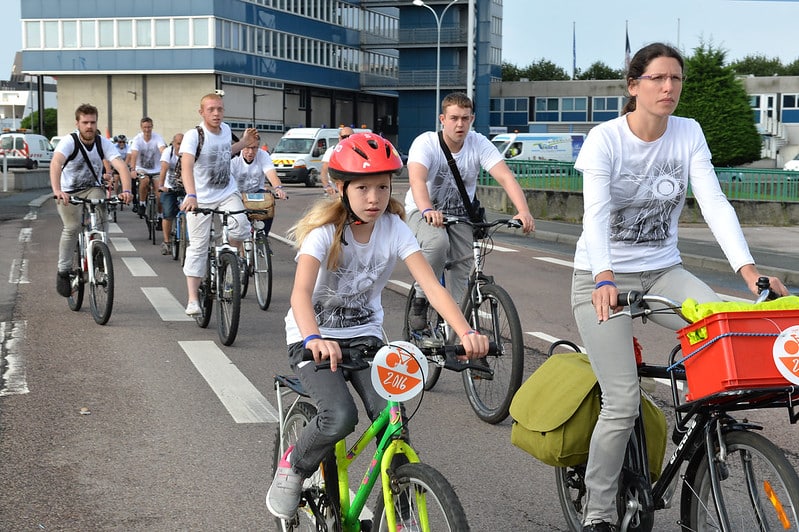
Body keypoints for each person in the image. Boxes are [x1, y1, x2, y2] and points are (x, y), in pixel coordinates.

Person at [570, 42, 789, 532]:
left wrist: (748, 271)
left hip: (664, 272)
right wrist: (604, 276)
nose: (669, 88)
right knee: (622, 401)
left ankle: (696, 423)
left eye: (676, 79)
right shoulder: (605, 139)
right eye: (658, 79)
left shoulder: (688, 132)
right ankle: (599, 513)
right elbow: (596, 215)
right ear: (634, 86)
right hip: (600, 280)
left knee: (726, 331)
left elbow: (714, 204)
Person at [265, 132, 490, 521]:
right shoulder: (323, 234)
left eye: (383, 187)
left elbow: (432, 286)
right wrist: (315, 338)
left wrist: (465, 332)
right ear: (341, 188)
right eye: (364, 188)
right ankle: (294, 467)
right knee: (339, 417)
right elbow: (300, 294)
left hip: (367, 340)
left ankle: (399, 505)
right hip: (312, 340)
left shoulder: (395, 228)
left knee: (393, 418)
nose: (374, 198)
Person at [405, 92, 535, 343]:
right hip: (422, 212)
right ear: (443, 119)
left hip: (460, 216)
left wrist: (523, 211)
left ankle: (457, 338)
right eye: (454, 118)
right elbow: (417, 180)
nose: (460, 124)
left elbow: (506, 177)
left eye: (465, 118)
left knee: (463, 269)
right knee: (437, 244)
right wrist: (427, 210)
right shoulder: (427, 143)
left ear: (472, 119)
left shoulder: (478, 143)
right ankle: (421, 298)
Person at [179, 93, 258, 315]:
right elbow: (186, 166)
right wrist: (191, 195)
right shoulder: (194, 135)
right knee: (197, 246)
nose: (216, 113)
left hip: (226, 192)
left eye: (220, 109)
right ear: (202, 112)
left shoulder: (225, 131)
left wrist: (243, 143)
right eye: (211, 109)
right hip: (200, 197)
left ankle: (226, 259)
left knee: (241, 227)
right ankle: (193, 299)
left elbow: (226, 152)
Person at [50, 104, 133, 297]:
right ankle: (63, 271)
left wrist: (127, 190)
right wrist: (57, 190)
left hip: (92, 188)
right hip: (69, 192)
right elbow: (56, 163)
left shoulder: (102, 142)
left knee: (100, 203)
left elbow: (120, 165)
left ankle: (98, 250)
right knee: (72, 228)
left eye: (92, 122)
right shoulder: (69, 142)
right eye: (85, 122)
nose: (89, 126)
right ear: (77, 123)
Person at [230, 132, 287, 235]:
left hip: (255, 192)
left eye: (255, 148)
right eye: (247, 147)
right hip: (237, 194)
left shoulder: (263, 155)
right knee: (238, 226)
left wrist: (278, 188)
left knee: (269, 203)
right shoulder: (234, 157)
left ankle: (263, 236)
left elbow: (271, 172)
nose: (251, 152)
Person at [129, 117, 166, 215]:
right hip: (142, 168)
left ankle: (160, 215)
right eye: (145, 127)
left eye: (149, 127)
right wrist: (132, 169)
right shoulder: (137, 139)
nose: (147, 130)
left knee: (159, 193)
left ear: (152, 127)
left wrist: (166, 160)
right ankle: (142, 203)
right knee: (144, 181)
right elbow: (134, 155)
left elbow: (162, 149)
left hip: (157, 169)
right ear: (141, 127)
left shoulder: (158, 138)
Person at [157, 133, 184, 255]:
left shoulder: (189, 153)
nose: (180, 146)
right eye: (178, 143)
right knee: (167, 213)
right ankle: (167, 242)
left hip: (185, 187)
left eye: (183, 143)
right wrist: (162, 186)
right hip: (170, 187)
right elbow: (163, 169)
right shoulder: (168, 152)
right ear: (173, 143)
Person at [319, 126, 354, 196]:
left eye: (350, 137)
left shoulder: (358, 152)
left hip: (350, 192)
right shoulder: (332, 151)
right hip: (334, 192)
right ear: (339, 138)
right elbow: (324, 172)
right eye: (344, 137)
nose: (347, 139)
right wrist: (327, 186)